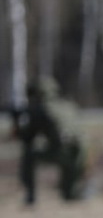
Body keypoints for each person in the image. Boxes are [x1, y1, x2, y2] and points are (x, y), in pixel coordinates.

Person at [10, 76, 90, 205]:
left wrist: (16, 123)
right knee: (68, 192)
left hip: (63, 151)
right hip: (83, 152)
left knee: (29, 155)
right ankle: (72, 192)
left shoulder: (41, 109)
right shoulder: (68, 104)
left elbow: (27, 137)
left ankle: (30, 196)